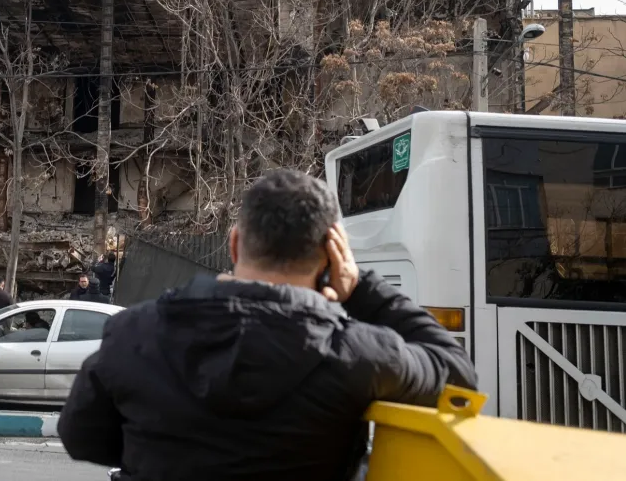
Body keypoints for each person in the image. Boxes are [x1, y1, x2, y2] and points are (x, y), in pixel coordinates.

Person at [58, 169, 477, 480]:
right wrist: (361, 287)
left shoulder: (134, 332)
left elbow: (81, 435)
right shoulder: (359, 354)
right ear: (332, 256)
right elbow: (457, 375)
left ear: (236, 243)